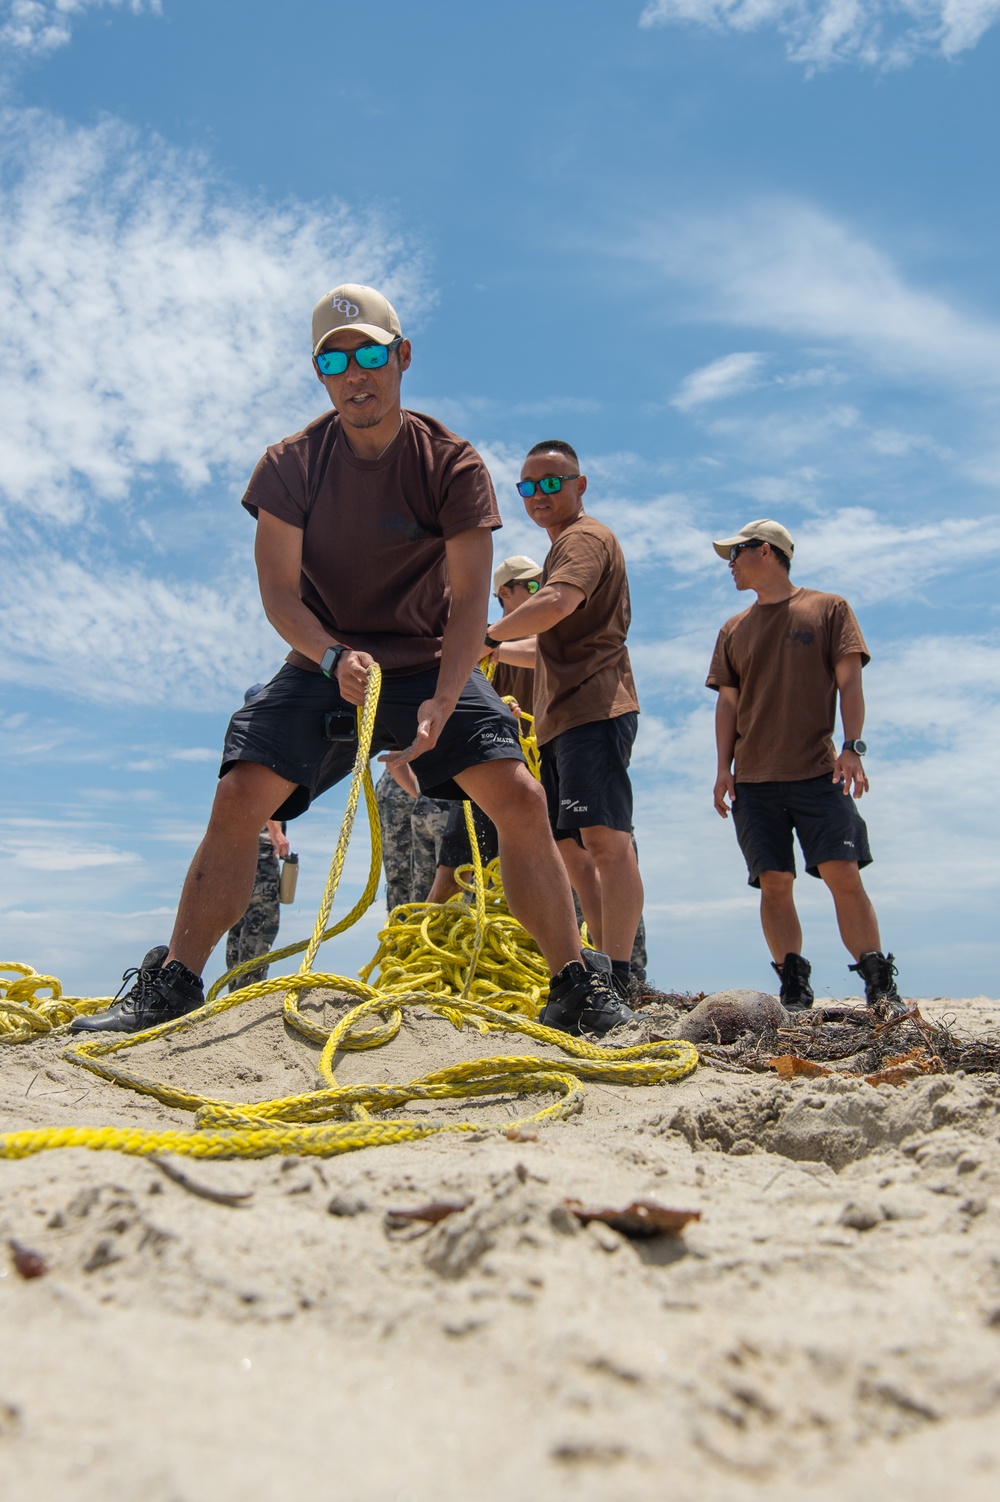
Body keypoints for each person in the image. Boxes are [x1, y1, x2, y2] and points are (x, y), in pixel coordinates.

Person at [73, 285, 633, 1039]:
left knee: (521, 800)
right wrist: (332, 653)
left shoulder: (453, 464)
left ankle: (576, 986)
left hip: (430, 659)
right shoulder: (290, 465)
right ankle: (176, 980)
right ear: (320, 373)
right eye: (334, 359)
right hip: (321, 661)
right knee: (240, 794)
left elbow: (471, 602)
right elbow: (278, 593)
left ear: (401, 357)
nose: (355, 372)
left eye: (371, 353)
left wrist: (443, 697)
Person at [705, 518, 902, 1014]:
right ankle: (793, 984)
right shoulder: (732, 629)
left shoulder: (828, 608)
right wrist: (722, 768)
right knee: (774, 882)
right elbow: (728, 705)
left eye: (737, 554)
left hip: (819, 772)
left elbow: (850, 682)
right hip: (753, 779)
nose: (730, 565)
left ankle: (879, 982)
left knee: (844, 873)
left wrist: (853, 746)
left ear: (766, 551)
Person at [484, 442, 644, 1003]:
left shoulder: (583, 538)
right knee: (572, 852)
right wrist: (498, 653)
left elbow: (555, 603)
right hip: (561, 721)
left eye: (552, 483)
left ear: (580, 484)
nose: (538, 496)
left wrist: (485, 636)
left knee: (605, 842)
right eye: (528, 487)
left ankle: (622, 973)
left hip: (594, 709)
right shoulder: (561, 548)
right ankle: (605, 964)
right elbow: (548, 645)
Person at [375, 763, 450, 909]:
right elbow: (395, 759)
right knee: (412, 879)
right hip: (408, 786)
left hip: (430, 785)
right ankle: (410, 928)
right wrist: (428, 798)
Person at [225, 818, 289, 990]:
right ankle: (249, 990)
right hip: (260, 851)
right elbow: (264, 792)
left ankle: (236, 992)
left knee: (240, 923)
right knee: (262, 923)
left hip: (239, 849)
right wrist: (276, 831)